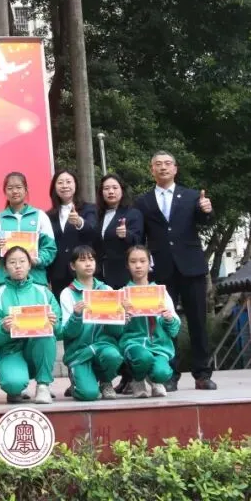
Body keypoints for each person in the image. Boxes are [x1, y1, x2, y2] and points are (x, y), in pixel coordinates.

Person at [133, 151, 215, 391]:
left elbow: (206, 221)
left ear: (175, 168)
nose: (163, 167)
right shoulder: (143, 201)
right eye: (158, 164)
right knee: (165, 322)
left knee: (198, 321)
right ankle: (170, 374)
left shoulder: (191, 196)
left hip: (191, 266)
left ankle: (203, 374)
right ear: (151, 170)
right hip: (161, 269)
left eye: (168, 163)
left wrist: (207, 210)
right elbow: (140, 235)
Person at [0, 246, 61, 404]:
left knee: (46, 334)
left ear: (30, 265)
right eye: (12, 262)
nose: (18, 266)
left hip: (36, 348)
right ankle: (15, 388)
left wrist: (54, 324)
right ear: (5, 268)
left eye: (22, 261)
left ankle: (43, 386)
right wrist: (3, 329)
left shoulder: (44, 293)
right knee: (13, 385)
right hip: (11, 350)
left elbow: (60, 331)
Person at [58, 246, 123, 402]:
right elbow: (67, 333)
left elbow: (116, 332)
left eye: (91, 259)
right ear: (73, 266)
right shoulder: (68, 293)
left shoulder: (107, 290)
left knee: (113, 355)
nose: (88, 264)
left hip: (103, 346)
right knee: (88, 394)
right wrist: (76, 315)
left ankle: (106, 381)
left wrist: (120, 317)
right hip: (79, 352)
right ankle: (77, 382)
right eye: (82, 260)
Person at [120, 245, 182, 398]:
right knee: (143, 358)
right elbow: (116, 331)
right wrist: (124, 317)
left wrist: (168, 318)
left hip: (159, 345)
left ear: (150, 263)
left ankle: (156, 380)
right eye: (133, 261)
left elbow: (174, 330)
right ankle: (137, 379)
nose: (138, 266)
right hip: (134, 344)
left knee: (162, 372)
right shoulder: (122, 294)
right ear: (127, 265)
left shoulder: (161, 292)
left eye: (143, 261)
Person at [0, 172, 56, 287]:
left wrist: (37, 260)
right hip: (5, 282)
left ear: (26, 190)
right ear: (5, 191)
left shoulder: (40, 216)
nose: (15, 191)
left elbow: (50, 249)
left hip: (35, 281)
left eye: (19, 187)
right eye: (10, 188)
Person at [47, 170, 98, 299]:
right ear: (54, 187)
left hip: (82, 272)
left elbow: (93, 231)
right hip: (57, 274)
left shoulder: (89, 209)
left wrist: (79, 222)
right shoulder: (49, 215)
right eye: (60, 182)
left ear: (76, 185)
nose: (65, 186)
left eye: (68, 182)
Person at [94, 173, 143, 290]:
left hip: (123, 274)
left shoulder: (132, 213)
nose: (111, 191)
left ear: (122, 190)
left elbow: (138, 241)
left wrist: (126, 234)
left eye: (115, 188)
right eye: (106, 188)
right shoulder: (97, 215)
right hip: (100, 275)